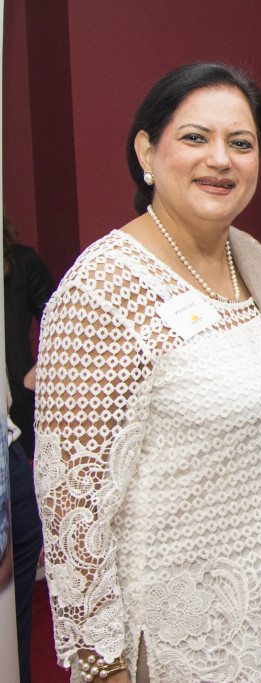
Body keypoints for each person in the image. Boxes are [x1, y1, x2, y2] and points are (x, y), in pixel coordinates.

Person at [33, 62, 261, 682]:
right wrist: (102, 667)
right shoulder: (105, 288)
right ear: (146, 148)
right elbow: (72, 505)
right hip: (180, 642)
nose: (220, 159)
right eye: (195, 137)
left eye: (240, 143)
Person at [3, 215, 55, 682]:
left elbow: (58, 316)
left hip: (15, 428)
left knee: (19, 556)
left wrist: (38, 372)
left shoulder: (19, 265)